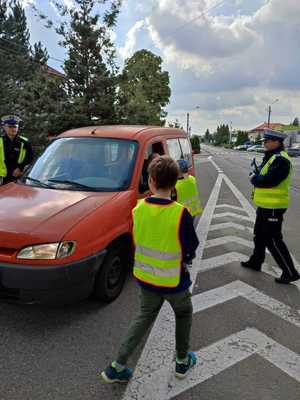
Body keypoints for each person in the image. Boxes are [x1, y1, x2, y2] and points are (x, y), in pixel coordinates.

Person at [101, 156, 199, 383]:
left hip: (145, 278)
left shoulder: (138, 208)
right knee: (183, 314)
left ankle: (117, 366)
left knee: (143, 317)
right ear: (175, 183)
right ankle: (182, 361)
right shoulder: (180, 212)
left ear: (151, 181)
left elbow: (139, 239)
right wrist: (186, 259)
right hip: (174, 281)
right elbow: (190, 246)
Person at [241, 129, 300, 284]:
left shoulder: (281, 160)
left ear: (276, 142)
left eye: (267, 141)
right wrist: (257, 172)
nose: (265, 143)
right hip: (265, 206)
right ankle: (256, 261)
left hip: (274, 207)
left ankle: (290, 271)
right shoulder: (272, 157)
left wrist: (254, 178)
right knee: (259, 235)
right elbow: (264, 175)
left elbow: (268, 181)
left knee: (273, 240)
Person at [0, 115, 34, 185]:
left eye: (15, 126)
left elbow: (30, 158)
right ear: (4, 127)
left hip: (18, 178)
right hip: (2, 178)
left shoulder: (25, 142)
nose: (13, 129)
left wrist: (20, 168)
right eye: (10, 126)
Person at [173, 159, 203, 225]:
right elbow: (186, 178)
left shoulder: (175, 185)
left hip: (182, 213)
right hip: (193, 210)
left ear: (178, 171)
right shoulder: (192, 179)